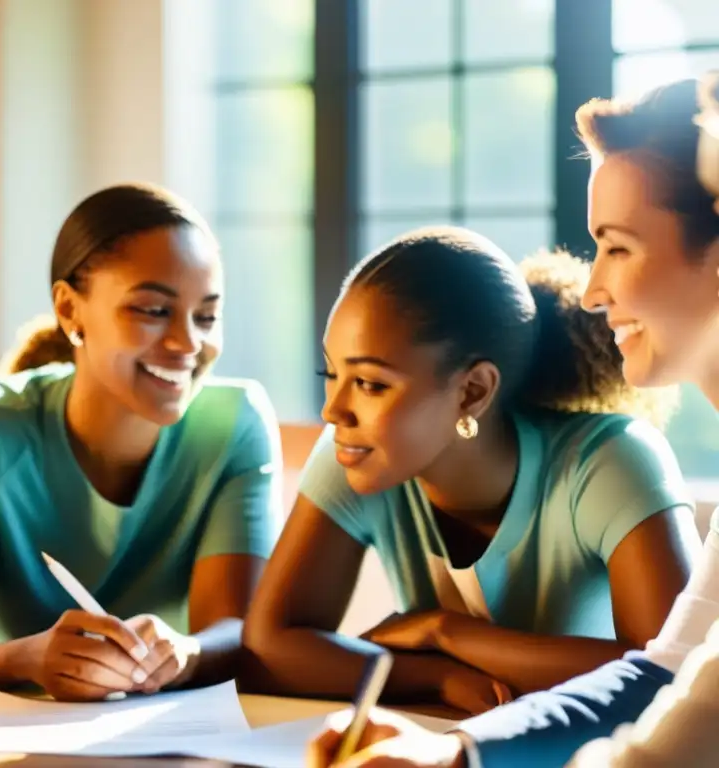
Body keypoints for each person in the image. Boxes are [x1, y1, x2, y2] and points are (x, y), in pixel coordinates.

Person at [306, 73, 719, 768]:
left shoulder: (612, 459)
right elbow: (669, 679)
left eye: (618, 247)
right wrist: (456, 753)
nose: (592, 289)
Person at [242, 226, 701, 717]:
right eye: (330, 374)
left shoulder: (611, 460)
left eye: (370, 384)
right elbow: (269, 648)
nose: (334, 411)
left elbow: (674, 672)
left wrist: (444, 631)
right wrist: (437, 674)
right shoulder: (356, 450)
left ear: (473, 392)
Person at [0, 183, 283, 702]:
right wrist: (24, 658)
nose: (189, 343)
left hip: (169, 733)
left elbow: (236, 628)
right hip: (12, 732)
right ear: (70, 310)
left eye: (206, 316)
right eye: (153, 310)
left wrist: (187, 653)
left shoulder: (235, 424)